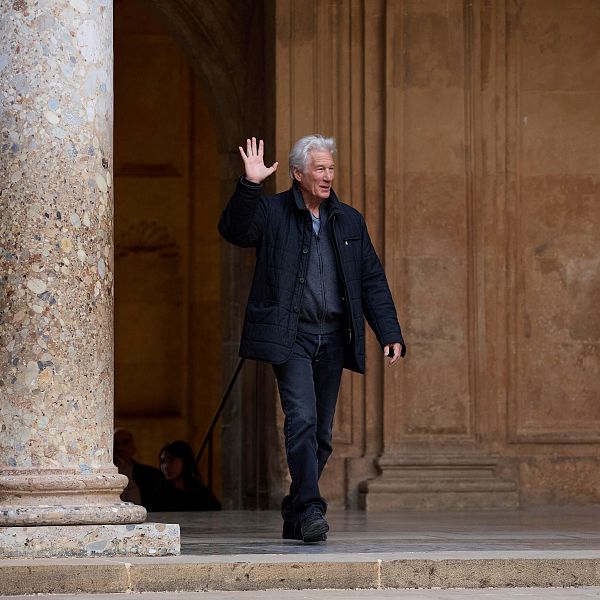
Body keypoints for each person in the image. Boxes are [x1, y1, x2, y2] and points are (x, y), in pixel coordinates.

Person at [218, 135, 405, 543]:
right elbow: (234, 230)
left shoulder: (349, 220)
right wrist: (250, 185)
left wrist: (388, 331)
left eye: (331, 169)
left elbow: (371, 279)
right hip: (292, 337)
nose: (327, 176)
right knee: (301, 419)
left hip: (334, 338)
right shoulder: (271, 211)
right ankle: (310, 508)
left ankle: (295, 507)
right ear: (298, 173)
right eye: (319, 169)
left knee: (321, 434)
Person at [145, 440, 221, 512]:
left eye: (172, 460)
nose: (166, 466)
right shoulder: (159, 496)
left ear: (185, 462)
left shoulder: (200, 493)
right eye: (163, 461)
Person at [113, 427, 164, 506]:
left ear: (134, 447)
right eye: (115, 443)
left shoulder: (151, 475)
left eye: (125, 442)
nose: (120, 447)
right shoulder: (105, 475)